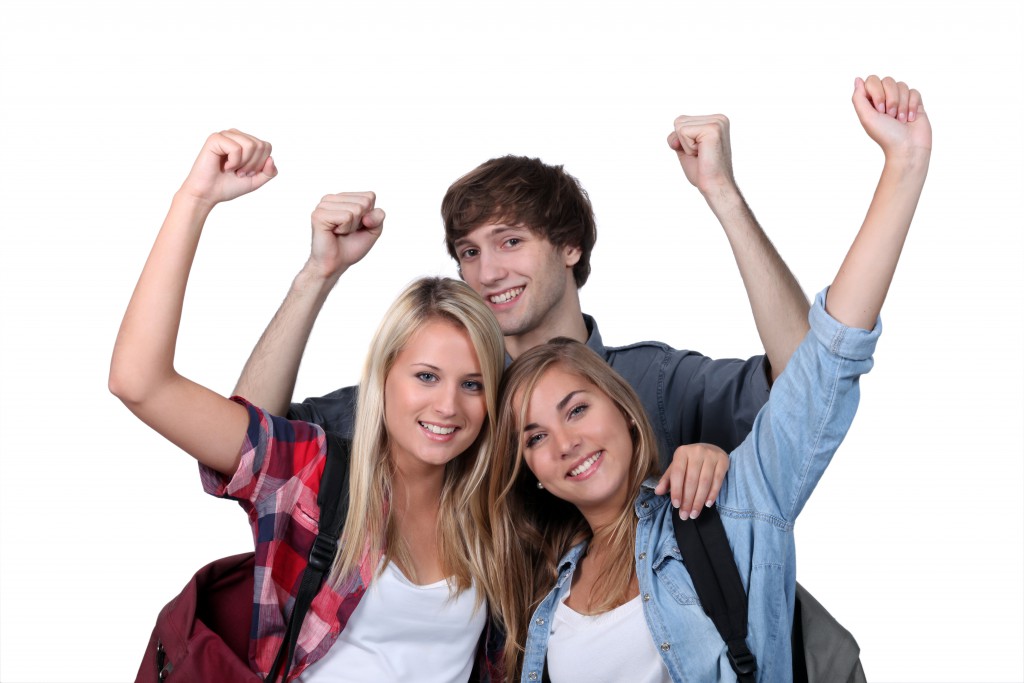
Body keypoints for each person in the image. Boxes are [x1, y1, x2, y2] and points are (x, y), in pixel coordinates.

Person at [485, 75, 930, 682]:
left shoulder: (732, 509)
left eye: (577, 409)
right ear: (527, 470)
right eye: (533, 438)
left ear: (626, 403)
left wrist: (903, 164)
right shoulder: (545, 604)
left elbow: (822, 365)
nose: (563, 443)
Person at [231, 113, 811, 521]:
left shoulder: (655, 382)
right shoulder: (442, 399)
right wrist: (317, 275)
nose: (486, 274)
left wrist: (723, 195)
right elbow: (249, 441)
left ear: (569, 247)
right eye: (470, 252)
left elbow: (810, 381)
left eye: (510, 242)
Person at [108, 132, 506, 681]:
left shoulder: (497, 508)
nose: (448, 405)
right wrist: (194, 200)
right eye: (426, 376)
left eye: (474, 384)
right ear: (382, 377)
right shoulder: (315, 475)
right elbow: (140, 383)